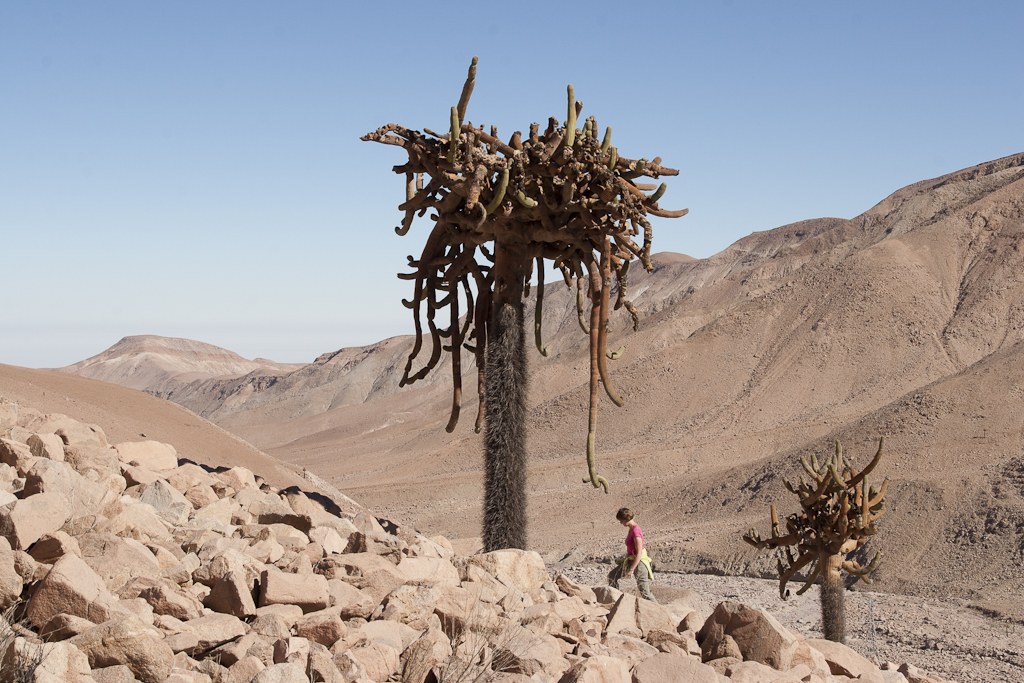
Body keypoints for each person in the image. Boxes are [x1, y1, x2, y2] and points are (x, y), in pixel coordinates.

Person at [607, 507, 657, 602]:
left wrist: (631, 570)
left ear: (626, 519)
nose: (621, 523)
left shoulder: (636, 531)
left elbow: (639, 553)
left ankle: (659, 611)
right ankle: (617, 601)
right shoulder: (631, 529)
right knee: (612, 576)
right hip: (630, 560)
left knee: (644, 591)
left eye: (621, 521)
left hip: (639, 563)